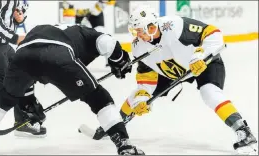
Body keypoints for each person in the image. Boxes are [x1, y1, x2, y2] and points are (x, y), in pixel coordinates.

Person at [89, 6, 258, 155]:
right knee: (135, 98)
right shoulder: (138, 46)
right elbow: (146, 78)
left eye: (140, 30)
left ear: (151, 26)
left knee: (210, 93)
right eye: (135, 31)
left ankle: (243, 130)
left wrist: (200, 55)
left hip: (202, 64)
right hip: (172, 72)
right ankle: (114, 126)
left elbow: (213, 33)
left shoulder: (175, 26)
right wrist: (142, 97)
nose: (138, 35)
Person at [0, 23, 144, 155]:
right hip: (57, 54)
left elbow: (29, 68)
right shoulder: (87, 33)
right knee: (98, 97)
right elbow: (107, 42)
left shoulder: (53, 29)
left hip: (22, 55)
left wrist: (28, 102)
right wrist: (120, 59)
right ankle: (124, 144)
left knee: (5, 97)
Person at [0, 0, 46, 149]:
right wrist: (15, 38)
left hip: (4, 46)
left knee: (23, 75)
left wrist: (18, 19)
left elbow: (9, 18)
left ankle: (21, 120)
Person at [62, 0, 116, 66]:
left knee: (102, 33)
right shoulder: (70, 2)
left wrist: (93, 9)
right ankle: (70, 59)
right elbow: (68, 23)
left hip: (93, 13)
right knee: (71, 36)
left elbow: (103, 4)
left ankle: (110, 58)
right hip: (75, 14)